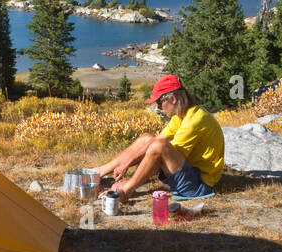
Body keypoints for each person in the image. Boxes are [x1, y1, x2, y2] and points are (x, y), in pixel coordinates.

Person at [94, 73, 224, 202]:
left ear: (172, 99)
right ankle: (99, 171)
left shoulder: (195, 121)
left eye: (159, 103)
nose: (159, 108)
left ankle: (126, 191)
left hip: (199, 184)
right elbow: (154, 142)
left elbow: (158, 154)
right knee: (147, 138)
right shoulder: (181, 116)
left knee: (159, 146)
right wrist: (126, 163)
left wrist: (128, 182)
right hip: (190, 171)